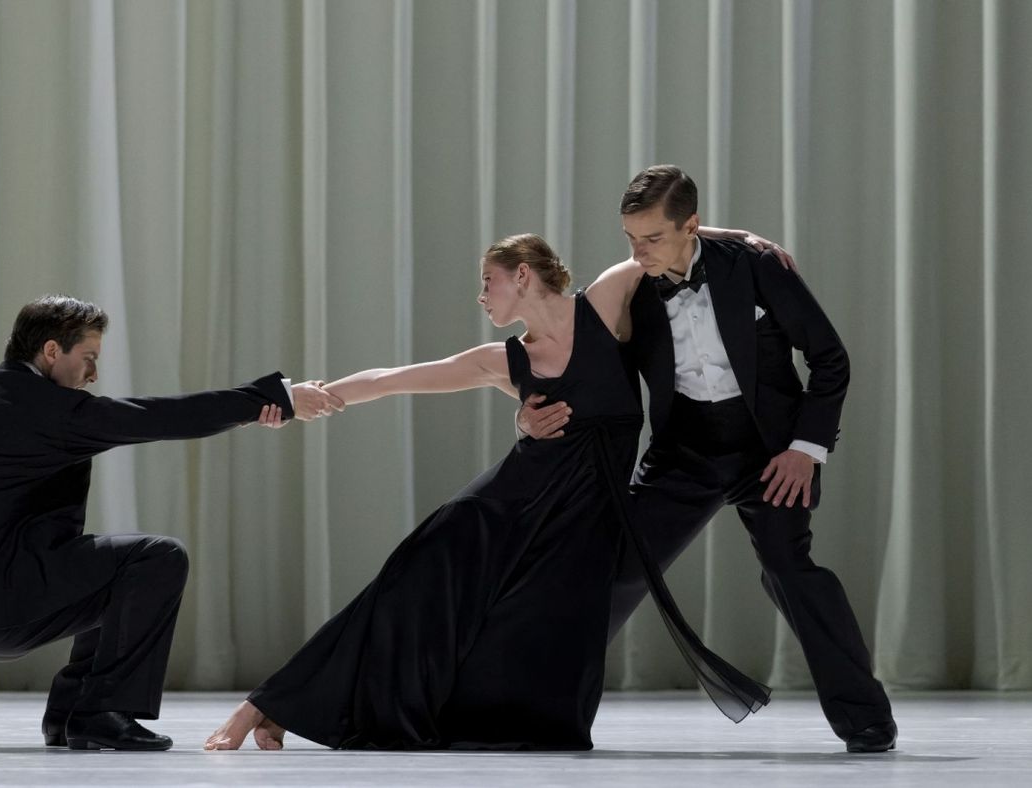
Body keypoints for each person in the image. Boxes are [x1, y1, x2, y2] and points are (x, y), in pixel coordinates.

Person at [204, 230, 776, 753]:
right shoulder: (505, 361)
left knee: (532, 647)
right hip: (495, 512)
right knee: (397, 598)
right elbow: (390, 380)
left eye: (488, 282)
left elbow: (665, 241)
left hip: (575, 529)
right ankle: (265, 706)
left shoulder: (603, 306)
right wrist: (318, 396)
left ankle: (298, 710)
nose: (482, 297)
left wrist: (748, 241)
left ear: (522, 274)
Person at [520, 165, 898, 753]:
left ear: (690, 226)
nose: (639, 252)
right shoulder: (627, 288)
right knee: (613, 570)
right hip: (684, 450)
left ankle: (867, 722)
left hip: (770, 450)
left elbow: (829, 358)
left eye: (653, 238)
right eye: (630, 238)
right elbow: (575, 367)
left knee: (791, 572)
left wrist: (805, 450)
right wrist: (527, 413)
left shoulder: (753, 265)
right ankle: (543, 712)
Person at [0, 294, 342, 751]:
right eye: (88, 358)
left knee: (114, 568)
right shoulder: (49, 410)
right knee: (157, 558)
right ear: (50, 351)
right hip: (12, 609)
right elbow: (162, 416)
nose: (93, 374)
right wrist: (275, 401)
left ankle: (69, 714)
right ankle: (102, 712)